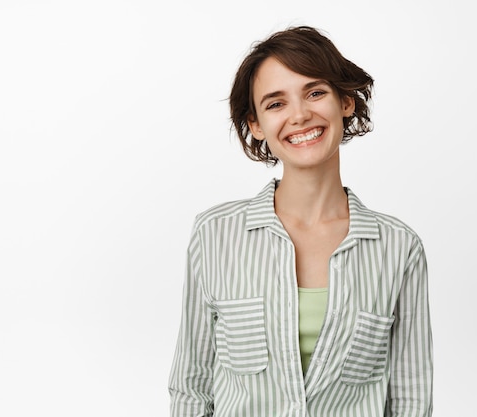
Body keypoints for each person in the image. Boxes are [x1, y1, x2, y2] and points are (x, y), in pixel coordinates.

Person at [168, 26, 433, 417]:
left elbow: (410, 398)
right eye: (275, 104)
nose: (300, 114)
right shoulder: (214, 235)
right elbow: (191, 387)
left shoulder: (398, 247)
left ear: (345, 101)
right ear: (256, 124)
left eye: (315, 93)